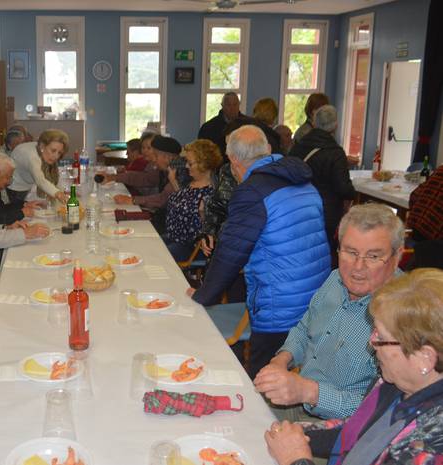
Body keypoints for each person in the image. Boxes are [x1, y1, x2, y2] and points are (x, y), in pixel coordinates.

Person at [188, 125, 331, 378]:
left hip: (279, 305)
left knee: (264, 381)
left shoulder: (252, 192)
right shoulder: (304, 182)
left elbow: (229, 254)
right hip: (315, 300)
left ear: (233, 160)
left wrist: (203, 296)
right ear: (267, 150)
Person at [265, 268, 443, 465]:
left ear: (425, 358)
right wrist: (298, 434)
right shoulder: (391, 383)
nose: (371, 342)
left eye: (382, 338)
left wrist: (296, 459)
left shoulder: (431, 442)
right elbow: (356, 427)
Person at [255, 203, 404, 421]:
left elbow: (381, 414)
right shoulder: (336, 279)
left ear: (397, 256)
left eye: (373, 256)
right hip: (295, 399)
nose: (357, 267)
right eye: (350, 252)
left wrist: (309, 392)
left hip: (339, 431)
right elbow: (305, 328)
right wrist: (282, 360)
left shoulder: (406, 316)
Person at [289, 105, 356, 259]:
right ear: (335, 125)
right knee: (324, 256)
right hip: (326, 213)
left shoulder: (299, 147)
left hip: (298, 208)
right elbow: (343, 188)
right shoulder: (335, 153)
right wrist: (353, 192)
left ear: (314, 123)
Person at [164, 139, 223, 261]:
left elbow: (211, 230)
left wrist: (203, 215)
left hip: (190, 246)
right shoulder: (190, 183)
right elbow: (183, 201)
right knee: (147, 243)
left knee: (159, 255)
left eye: (190, 163)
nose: (186, 166)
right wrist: (173, 181)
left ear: (204, 165)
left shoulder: (212, 193)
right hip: (173, 238)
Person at [0, 153, 43, 226]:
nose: (9, 182)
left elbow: (2, 209)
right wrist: (21, 213)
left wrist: (24, 204)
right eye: (8, 177)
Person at [9, 129, 69, 203]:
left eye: (59, 152)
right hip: (16, 188)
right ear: (42, 146)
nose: (56, 156)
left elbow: (52, 177)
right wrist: (58, 193)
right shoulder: (32, 157)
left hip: (28, 184)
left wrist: (60, 191)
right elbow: (40, 180)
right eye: (53, 151)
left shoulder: (42, 150)